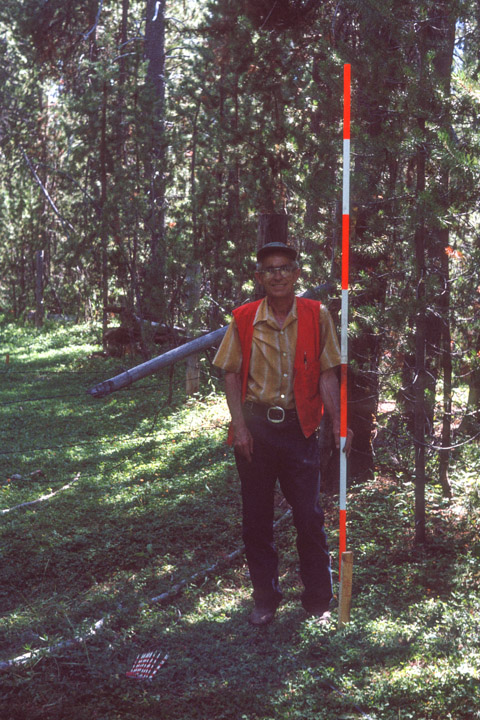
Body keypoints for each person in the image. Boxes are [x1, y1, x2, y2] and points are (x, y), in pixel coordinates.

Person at [213, 242, 352, 626]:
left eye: (284, 268)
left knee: (308, 516)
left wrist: (339, 425)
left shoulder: (315, 314)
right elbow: (229, 371)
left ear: (296, 275)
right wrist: (239, 426)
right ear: (259, 278)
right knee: (256, 519)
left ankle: (319, 602)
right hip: (255, 429)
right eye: (269, 270)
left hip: (298, 428)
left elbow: (327, 373)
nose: (277, 275)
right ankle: (265, 600)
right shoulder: (243, 318)